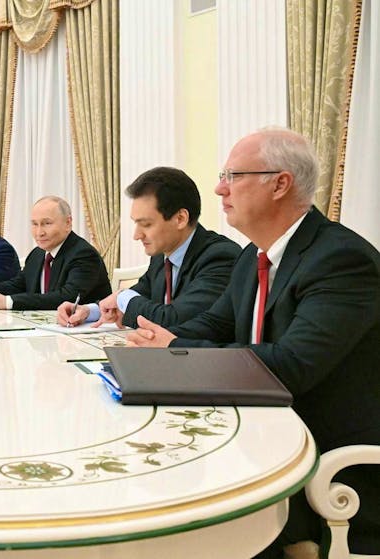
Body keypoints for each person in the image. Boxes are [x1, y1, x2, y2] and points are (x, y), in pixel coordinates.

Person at [127, 128, 380, 557]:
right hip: (265, 437)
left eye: (233, 175)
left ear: (280, 184)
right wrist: (166, 340)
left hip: (329, 464)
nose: (219, 188)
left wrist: (174, 352)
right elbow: (214, 324)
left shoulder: (341, 259)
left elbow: (291, 365)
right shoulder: (253, 255)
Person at [57, 167, 239, 328]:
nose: (137, 235)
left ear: (180, 219)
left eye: (146, 224)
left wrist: (121, 298)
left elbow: (174, 320)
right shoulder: (162, 255)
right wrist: (90, 310)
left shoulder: (219, 257)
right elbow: (141, 292)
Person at [0, 196, 110, 310]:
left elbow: (66, 297)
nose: (39, 232)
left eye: (46, 223)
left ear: (68, 223)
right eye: (34, 224)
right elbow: (15, 285)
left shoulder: (83, 255)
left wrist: (9, 302)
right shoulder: (37, 254)